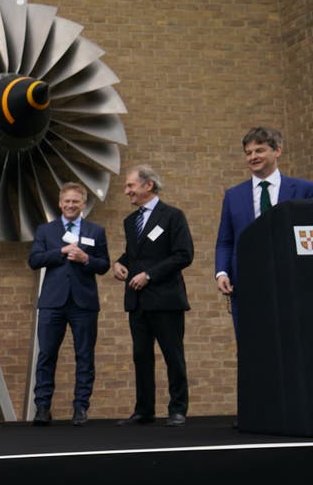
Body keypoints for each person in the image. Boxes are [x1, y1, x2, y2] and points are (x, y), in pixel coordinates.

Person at [112, 165, 194, 427]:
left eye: (130, 186)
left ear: (148, 185)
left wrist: (149, 275)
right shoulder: (130, 221)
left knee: (173, 355)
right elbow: (136, 254)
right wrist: (120, 263)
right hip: (137, 302)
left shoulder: (172, 216)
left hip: (166, 300)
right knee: (141, 356)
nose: (127, 192)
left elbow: (183, 255)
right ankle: (144, 410)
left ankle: (178, 409)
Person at [214, 126, 313, 331]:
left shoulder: (304, 190)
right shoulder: (233, 195)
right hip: (247, 282)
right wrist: (221, 272)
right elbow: (225, 240)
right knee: (251, 345)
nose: (253, 157)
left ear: (277, 151)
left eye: (259, 150)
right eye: (248, 153)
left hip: (293, 282)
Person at [28, 182, 109, 427]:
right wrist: (60, 252)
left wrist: (86, 259)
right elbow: (34, 260)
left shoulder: (96, 231)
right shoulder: (46, 231)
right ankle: (42, 408)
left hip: (84, 303)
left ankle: (81, 407)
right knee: (46, 355)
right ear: (60, 203)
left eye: (76, 201)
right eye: (67, 201)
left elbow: (104, 264)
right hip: (53, 303)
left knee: (85, 356)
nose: (71, 205)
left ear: (83, 204)